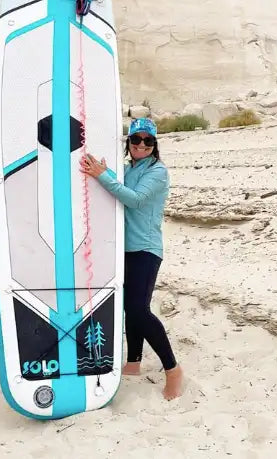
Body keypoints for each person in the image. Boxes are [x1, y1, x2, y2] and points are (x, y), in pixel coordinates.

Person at [80, 116, 183, 400]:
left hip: (146, 248)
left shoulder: (158, 171)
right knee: (129, 308)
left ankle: (173, 369)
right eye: (136, 139)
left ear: (154, 144)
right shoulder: (127, 169)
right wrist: (102, 171)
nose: (141, 145)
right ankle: (134, 363)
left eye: (148, 141)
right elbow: (114, 185)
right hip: (123, 249)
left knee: (139, 310)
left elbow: (135, 199)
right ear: (129, 142)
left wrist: (102, 174)